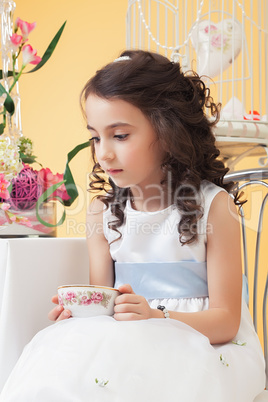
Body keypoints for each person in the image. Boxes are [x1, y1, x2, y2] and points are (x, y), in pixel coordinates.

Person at [0, 50, 266, 402]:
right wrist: (82, 310)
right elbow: (106, 302)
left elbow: (226, 322)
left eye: (120, 136)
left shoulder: (213, 207)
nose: (103, 154)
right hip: (128, 337)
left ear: (168, 132)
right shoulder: (101, 213)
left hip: (201, 343)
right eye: (96, 137)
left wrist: (157, 317)